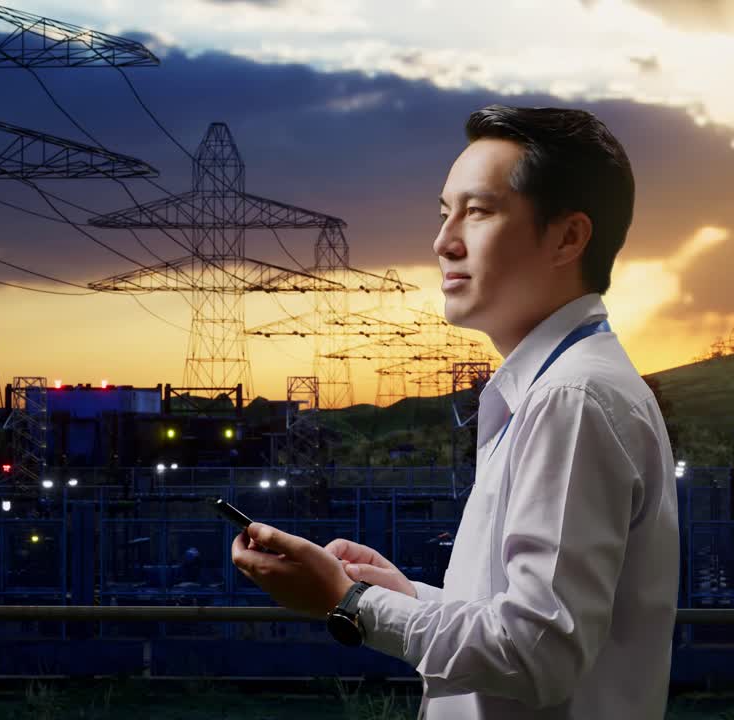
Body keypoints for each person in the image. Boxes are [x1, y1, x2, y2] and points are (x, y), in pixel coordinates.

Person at [230, 104, 679, 719]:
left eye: (479, 211)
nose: (444, 241)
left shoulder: (569, 400)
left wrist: (349, 602)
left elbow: (536, 654)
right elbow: (521, 622)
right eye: (445, 213)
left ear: (568, 237)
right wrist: (402, 596)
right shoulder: (555, 389)